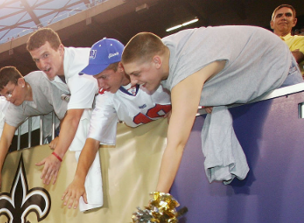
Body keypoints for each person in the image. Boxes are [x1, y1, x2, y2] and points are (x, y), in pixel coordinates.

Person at [122, 27, 303, 192]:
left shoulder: (187, 73)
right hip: (250, 73)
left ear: (156, 61)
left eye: (136, 74)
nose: (133, 82)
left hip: (277, 67)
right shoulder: (162, 48)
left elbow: (176, 145)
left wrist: (157, 203)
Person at [63, 38, 171, 209]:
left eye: (104, 77)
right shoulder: (106, 98)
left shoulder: (152, 73)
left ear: (121, 67)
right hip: (152, 157)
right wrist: (79, 178)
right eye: (96, 78)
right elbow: (92, 141)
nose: (100, 85)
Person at [26, 28, 101, 205]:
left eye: (46, 55)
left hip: (137, 100)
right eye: (36, 60)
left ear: (60, 49)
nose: (42, 64)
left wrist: (58, 156)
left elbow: (74, 117)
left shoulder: (80, 69)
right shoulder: (60, 72)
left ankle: (90, 193)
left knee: (82, 122)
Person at [0, 67, 68, 193]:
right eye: (4, 96)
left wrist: (61, 136)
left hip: (77, 112)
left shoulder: (42, 81)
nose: (8, 99)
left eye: (9, 92)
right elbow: (6, 138)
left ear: (21, 83)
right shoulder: (15, 106)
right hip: (55, 120)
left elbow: (68, 113)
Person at [271, 4, 304, 74]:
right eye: (279, 16)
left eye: (288, 15)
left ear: (294, 22)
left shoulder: (302, 40)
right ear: (272, 24)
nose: (283, 18)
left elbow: (291, 60)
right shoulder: (263, 44)